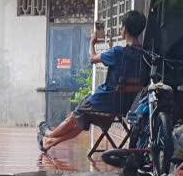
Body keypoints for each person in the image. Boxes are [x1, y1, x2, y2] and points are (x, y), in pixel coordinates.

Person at [39, 11, 148, 152]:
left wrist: (92, 42)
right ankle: (49, 143)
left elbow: (92, 59)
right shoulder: (145, 55)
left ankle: (49, 134)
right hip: (128, 106)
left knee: (78, 114)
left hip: (105, 102)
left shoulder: (117, 52)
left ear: (125, 29)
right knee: (83, 118)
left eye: (122, 27)